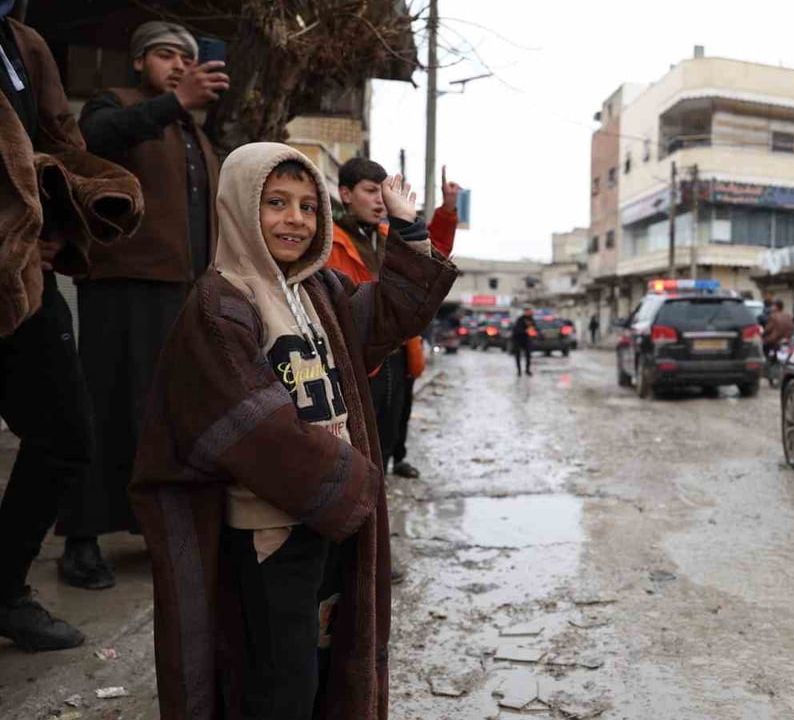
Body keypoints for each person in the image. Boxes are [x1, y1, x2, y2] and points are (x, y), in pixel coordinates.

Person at [130, 143, 458, 719]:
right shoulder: (221, 302)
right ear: (238, 207)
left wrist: (408, 229)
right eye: (276, 203)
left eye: (308, 207)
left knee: (322, 665)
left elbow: (389, 315)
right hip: (271, 535)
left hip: (324, 521)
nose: (296, 220)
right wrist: (357, 483)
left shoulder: (319, 290)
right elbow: (251, 425)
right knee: (280, 684)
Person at [57, 21, 227, 590]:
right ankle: (80, 540)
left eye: (187, 58)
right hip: (123, 285)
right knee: (104, 409)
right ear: (137, 61)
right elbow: (93, 140)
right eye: (165, 55)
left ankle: (155, 528)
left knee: (166, 418)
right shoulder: (116, 104)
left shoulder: (191, 130)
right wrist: (175, 102)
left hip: (184, 292)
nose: (179, 66)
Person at [0, 8, 142, 651]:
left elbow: (59, 144)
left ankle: (5, 591)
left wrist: (61, 224)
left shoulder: (22, 44)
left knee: (64, 434)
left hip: (24, 278)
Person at [326, 157, 457, 477]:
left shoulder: (389, 235)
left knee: (391, 426)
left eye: (382, 193)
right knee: (357, 438)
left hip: (397, 350)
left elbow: (428, 258)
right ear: (345, 194)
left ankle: (386, 477)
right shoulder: (329, 240)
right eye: (370, 191)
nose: (380, 201)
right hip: (356, 353)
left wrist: (447, 211)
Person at [511, 306, 535, 376]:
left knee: (528, 355)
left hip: (527, 339)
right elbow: (516, 329)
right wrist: (525, 331)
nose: (530, 312)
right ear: (525, 312)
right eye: (529, 311)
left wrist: (535, 332)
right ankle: (519, 371)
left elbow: (534, 327)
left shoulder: (531, 319)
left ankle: (527, 370)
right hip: (518, 339)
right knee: (518, 356)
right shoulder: (520, 319)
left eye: (531, 311)